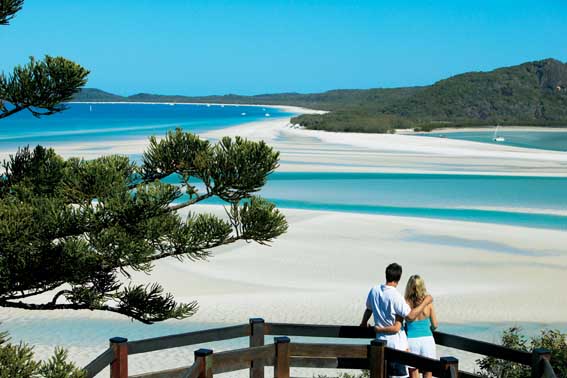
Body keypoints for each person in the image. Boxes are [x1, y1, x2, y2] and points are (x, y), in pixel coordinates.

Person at [360, 263, 432, 378]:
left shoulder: (374, 291)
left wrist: (363, 323)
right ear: (399, 278)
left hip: (380, 343)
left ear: (386, 275)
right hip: (397, 346)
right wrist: (425, 302)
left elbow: (368, 309)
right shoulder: (396, 296)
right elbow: (410, 316)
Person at [404, 275, 438, 378]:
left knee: (413, 372)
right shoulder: (428, 302)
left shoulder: (406, 302)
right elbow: (435, 325)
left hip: (411, 340)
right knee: (428, 371)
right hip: (427, 339)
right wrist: (429, 329)